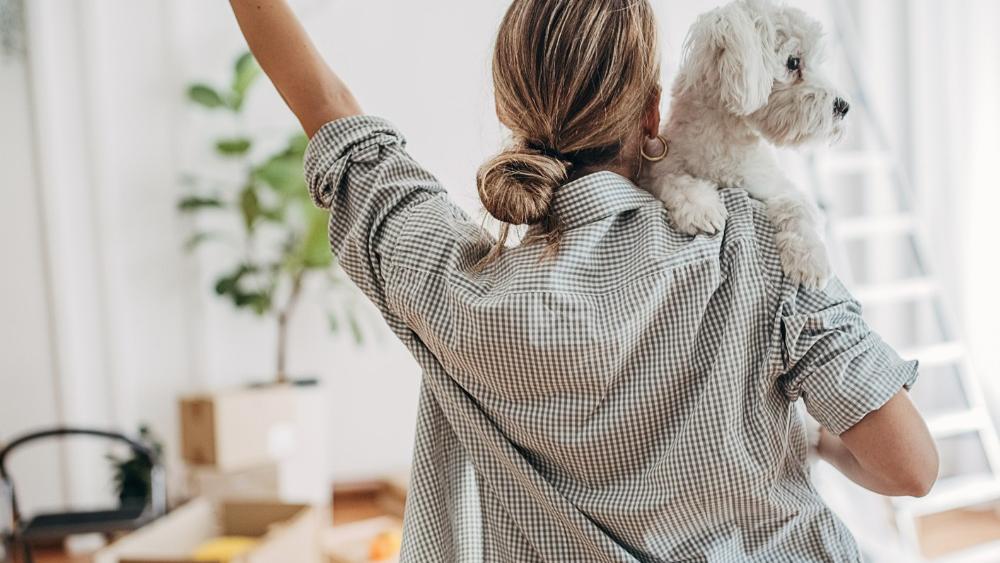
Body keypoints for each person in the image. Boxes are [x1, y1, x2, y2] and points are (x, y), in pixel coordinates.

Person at [229, 1, 939, 561]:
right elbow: (910, 467)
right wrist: (807, 434)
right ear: (654, 111)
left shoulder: (455, 293)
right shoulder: (759, 241)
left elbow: (327, 106)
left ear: (513, 117)